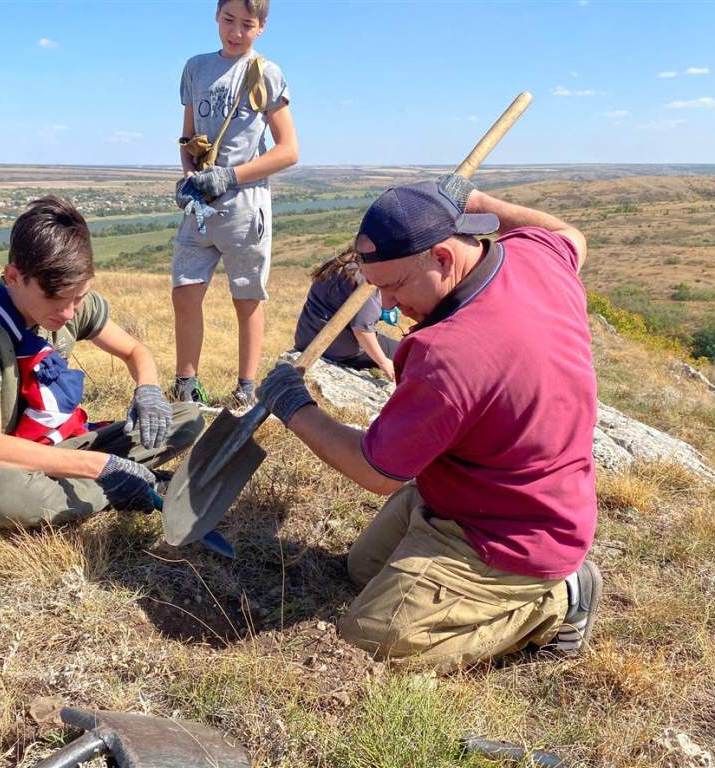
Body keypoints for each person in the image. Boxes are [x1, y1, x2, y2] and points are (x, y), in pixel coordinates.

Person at [256, 176, 601, 670]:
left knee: (372, 638)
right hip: (481, 487)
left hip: (514, 531)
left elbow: (375, 472)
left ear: (442, 257)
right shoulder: (537, 256)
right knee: (364, 569)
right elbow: (572, 235)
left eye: (394, 287)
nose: (389, 307)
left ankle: (557, 601)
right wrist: (477, 203)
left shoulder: (450, 354)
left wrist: (296, 408)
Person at [0, 196, 204, 528]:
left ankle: (105, 482)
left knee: (187, 419)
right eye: (55, 300)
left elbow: (135, 352)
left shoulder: (69, 300)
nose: (68, 313)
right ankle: (122, 484)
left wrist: (148, 390)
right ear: (14, 276)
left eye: (79, 297)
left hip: (55, 441)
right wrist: (101, 468)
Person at [171, 0, 299, 408]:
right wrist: (190, 176)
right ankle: (186, 385)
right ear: (216, 17)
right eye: (229, 20)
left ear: (261, 27)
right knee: (184, 292)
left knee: (246, 299)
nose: (235, 31)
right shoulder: (195, 67)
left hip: (245, 206)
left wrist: (230, 175)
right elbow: (188, 136)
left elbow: (289, 151)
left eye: (247, 24)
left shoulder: (265, 72)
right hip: (201, 206)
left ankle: (246, 389)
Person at [293, 247, 398, 380]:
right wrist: (384, 362)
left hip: (306, 338)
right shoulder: (370, 275)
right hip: (337, 349)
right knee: (408, 350)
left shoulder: (339, 261)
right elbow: (362, 330)